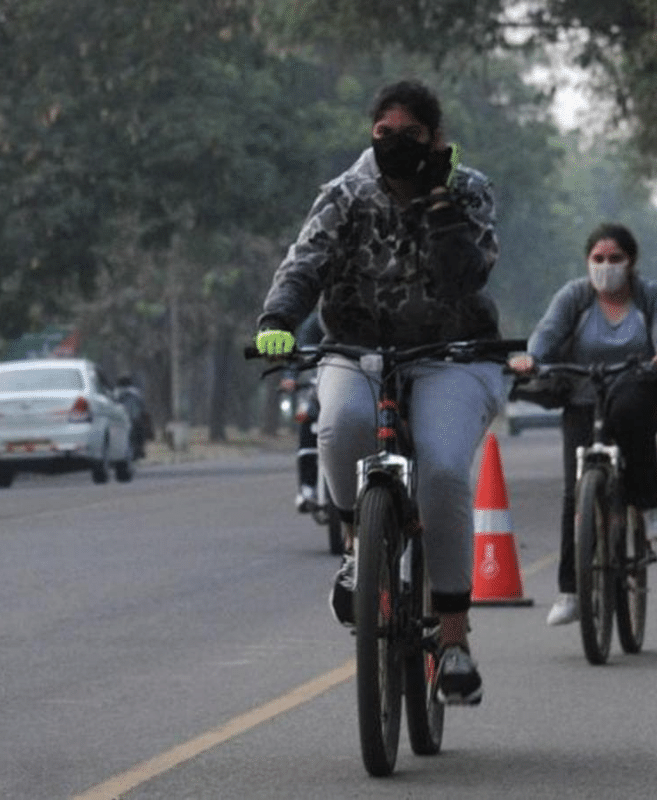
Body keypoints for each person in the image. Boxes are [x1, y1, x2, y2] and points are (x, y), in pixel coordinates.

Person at [254, 79, 503, 705]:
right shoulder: (346, 193)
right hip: (357, 350)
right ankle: (355, 544)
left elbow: (466, 277)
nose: (393, 147)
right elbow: (304, 262)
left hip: (449, 354)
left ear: (436, 141)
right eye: (382, 136)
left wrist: (440, 199)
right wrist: (278, 320)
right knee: (339, 427)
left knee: (445, 472)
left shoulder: (469, 191)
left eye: (410, 138)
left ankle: (452, 638)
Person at [509, 222, 657, 627]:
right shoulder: (575, 295)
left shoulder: (651, 296)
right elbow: (547, 333)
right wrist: (531, 358)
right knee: (575, 492)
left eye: (615, 259)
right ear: (588, 262)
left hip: (639, 389)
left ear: (632, 261)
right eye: (598, 259)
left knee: (628, 416)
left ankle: (651, 504)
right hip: (583, 395)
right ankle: (571, 590)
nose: (606, 267)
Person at [276, 312, 324, 512]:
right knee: (306, 415)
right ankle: (307, 487)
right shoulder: (315, 322)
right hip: (317, 388)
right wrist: (291, 377)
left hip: (351, 388)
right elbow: (297, 354)